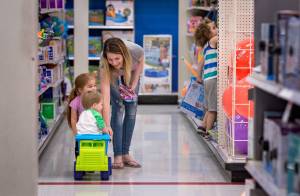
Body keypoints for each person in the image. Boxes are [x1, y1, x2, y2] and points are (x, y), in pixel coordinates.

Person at [100, 37, 144, 169]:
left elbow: (141, 61)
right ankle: (118, 155)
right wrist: (106, 125)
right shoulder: (105, 65)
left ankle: (126, 154)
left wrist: (134, 83)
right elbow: (105, 100)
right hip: (113, 76)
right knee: (118, 110)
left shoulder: (136, 50)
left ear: (124, 54)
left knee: (131, 112)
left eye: (117, 59)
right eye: (111, 59)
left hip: (130, 72)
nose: (114, 62)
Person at [194, 20, 218, 137]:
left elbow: (200, 64)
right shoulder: (213, 41)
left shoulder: (205, 47)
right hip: (213, 78)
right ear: (208, 35)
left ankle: (203, 126)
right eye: (214, 28)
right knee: (213, 109)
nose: (217, 29)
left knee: (209, 107)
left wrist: (198, 76)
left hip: (207, 79)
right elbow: (225, 37)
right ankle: (209, 133)